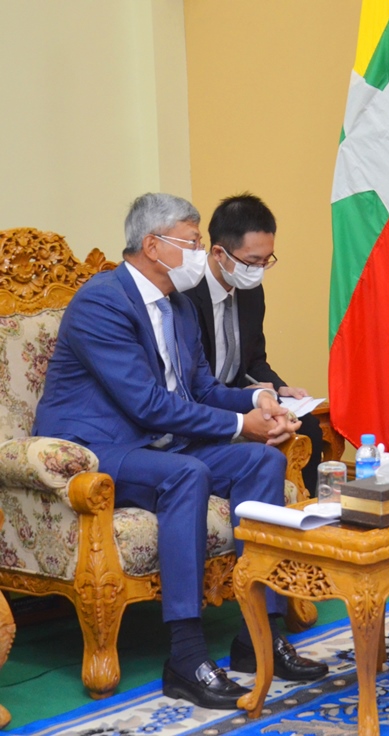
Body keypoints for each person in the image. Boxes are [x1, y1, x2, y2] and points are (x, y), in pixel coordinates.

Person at [33, 193, 327, 709]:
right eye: (192, 243)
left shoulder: (179, 306)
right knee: (186, 473)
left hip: (162, 445)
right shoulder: (102, 301)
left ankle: (259, 634)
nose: (199, 252)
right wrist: (240, 424)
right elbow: (146, 404)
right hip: (96, 450)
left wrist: (260, 400)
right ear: (153, 245)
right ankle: (186, 658)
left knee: (263, 459)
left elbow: (201, 388)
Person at [183, 193, 324, 492]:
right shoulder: (185, 294)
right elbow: (190, 379)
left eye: (266, 260)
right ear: (219, 253)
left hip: (245, 396)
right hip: (202, 402)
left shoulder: (250, 291)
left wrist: (279, 387)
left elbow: (254, 359)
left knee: (307, 425)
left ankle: (307, 511)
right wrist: (239, 398)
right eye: (251, 261)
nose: (259, 270)